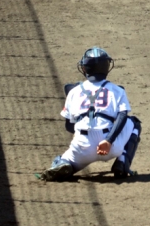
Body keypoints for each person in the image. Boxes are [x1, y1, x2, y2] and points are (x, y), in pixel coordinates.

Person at [37, 47, 142, 181]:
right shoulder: (117, 90)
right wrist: (108, 141)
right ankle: (122, 162)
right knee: (134, 123)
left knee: (64, 160)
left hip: (82, 147)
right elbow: (122, 117)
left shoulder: (73, 91)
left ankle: (65, 163)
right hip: (110, 146)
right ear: (107, 67)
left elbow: (69, 126)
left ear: (84, 68)